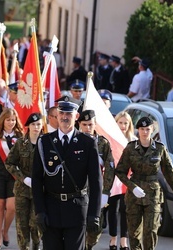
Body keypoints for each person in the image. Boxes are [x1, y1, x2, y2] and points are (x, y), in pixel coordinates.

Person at [32, 100, 102, 249]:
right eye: (61, 113)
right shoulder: (45, 142)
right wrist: (40, 210)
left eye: (68, 114)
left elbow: (96, 181)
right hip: (51, 208)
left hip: (76, 209)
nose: (64, 117)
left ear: (76, 116)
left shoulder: (87, 143)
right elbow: (37, 179)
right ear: (56, 115)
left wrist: (94, 214)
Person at [115, 117, 173, 250]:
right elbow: (120, 171)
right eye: (142, 129)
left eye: (147, 129)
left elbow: (169, 173)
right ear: (138, 130)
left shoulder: (159, 149)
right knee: (134, 233)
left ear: (152, 130)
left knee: (151, 231)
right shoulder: (130, 148)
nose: (145, 132)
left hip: (153, 194)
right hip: (134, 195)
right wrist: (132, 186)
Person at [0, 108, 24, 249]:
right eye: (8, 120)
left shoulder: (20, 135)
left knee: (11, 207)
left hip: (14, 176)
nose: (11, 122)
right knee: (0, 206)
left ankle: (5, 231)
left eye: (13, 120)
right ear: (3, 120)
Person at [76, 110, 115, 250]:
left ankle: (89, 246)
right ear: (79, 124)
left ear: (95, 124)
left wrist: (105, 192)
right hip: (78, 190)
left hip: (95, 190)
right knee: (77, 225)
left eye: (90, 124)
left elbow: (110, 168)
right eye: (84, 124)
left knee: (95, 227)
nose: (87, 127)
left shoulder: (103, 143)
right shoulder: (74, 141)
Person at [5, 113, 43, 250]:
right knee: (22, 225)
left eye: (38, 124)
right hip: (22, 190)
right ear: (28, 126)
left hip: (40, 191)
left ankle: (36, 246)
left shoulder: (47, 143)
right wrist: (23, 178)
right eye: (33, 124)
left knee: (36, 223)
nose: (36, 127)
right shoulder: (21, 143)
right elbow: (9, 163)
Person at [107, 111, 135, 250]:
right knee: (113, 209)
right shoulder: (109, 138)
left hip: (128, 179)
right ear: (115, 123)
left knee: (126, 210)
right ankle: (113, 238)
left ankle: (124, 240)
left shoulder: (133, 140)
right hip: (113, 178)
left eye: (126, 123)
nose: (123, 125)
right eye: (121, 122)